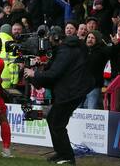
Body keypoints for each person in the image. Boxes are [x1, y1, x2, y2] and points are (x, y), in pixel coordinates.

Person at [24, 28, 94, 165]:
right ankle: (61, 152)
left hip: (71, 91)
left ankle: (67, 156)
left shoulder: (66, 50)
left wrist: (34, 74)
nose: (47, 44)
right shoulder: (68, 48)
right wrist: (43, 66)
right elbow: (56, 71)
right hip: (73, 89)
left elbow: (54, 74)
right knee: (53, 120)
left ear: (56, 38)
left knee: (57, 122)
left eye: (49, 40)